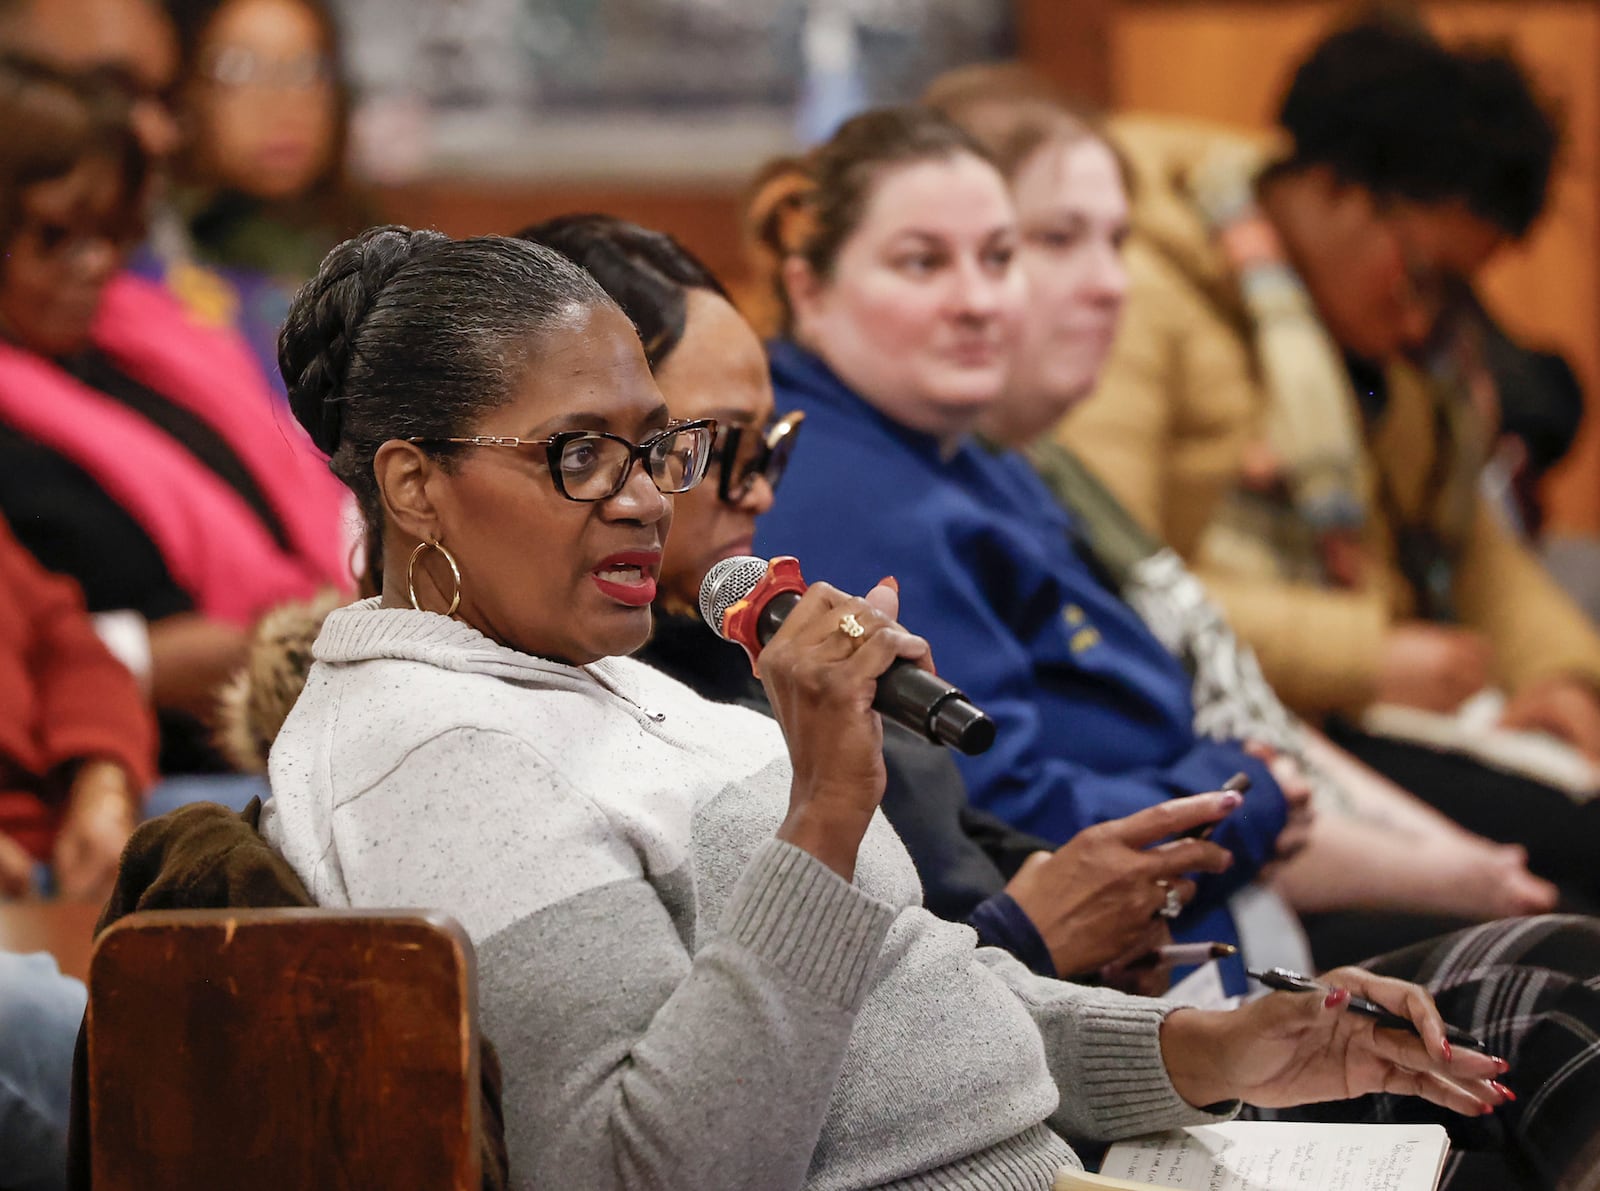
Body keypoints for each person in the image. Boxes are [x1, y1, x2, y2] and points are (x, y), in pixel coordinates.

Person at [258, 224, 1509, 1189]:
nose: (645, 498)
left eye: (657, 447)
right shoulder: (440, 756)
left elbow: (909, 1007)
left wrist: (1216, 1052)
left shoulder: (602, 683)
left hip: (1066, 1157)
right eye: (578, 454)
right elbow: (639, 1170)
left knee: (1539, 1018)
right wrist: (824, 811)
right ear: (414, 488)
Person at [921, 64, 1560, 959]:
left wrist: (1568, 677)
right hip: (1217, 857)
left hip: (1256, 805)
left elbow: (1185, 666)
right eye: (1051, 242)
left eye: (1111, 242)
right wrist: (1305, 740)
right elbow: (1033, 795)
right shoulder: (936, 479)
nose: (1109, 284)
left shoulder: (1035, 465)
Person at [521, 211, 1235, 988]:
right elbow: (779, 1031)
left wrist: (1060, 883)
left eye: (775, 445)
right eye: (721, 446)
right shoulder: (597, 708)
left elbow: (947, 828)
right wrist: (1024, 938)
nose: (760, 487)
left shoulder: (724, 630)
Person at [747, 104, 1310, 969]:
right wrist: (1248, 792)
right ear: (810, 290)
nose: (977, 301)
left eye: (999, 258)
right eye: (922, 262)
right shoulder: (856, 496)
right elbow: (999, 806)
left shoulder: (963, 450)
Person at [1060, 19, 1600, 742]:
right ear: (1333, 186)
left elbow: (1470, 548)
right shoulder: (1133, 293)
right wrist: (1362, 657)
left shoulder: (1380, 348)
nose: (1422, 322)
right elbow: (1101, 578)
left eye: (1455, 294)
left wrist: (1561, 678)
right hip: (1207, 726)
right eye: (1423, 278)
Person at [0, 55, 351, 776]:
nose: (96, 263)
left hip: (281, 726)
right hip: (120, 771)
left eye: (112, 232)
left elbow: (320, 495)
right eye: (54, 237)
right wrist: (139, 659)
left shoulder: (142, 334)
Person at [167, 0, 368, 389]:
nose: (283, 101)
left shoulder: (366, 253)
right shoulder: (152, 264)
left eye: (308, 68)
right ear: (183, 89)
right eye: (238, 69)